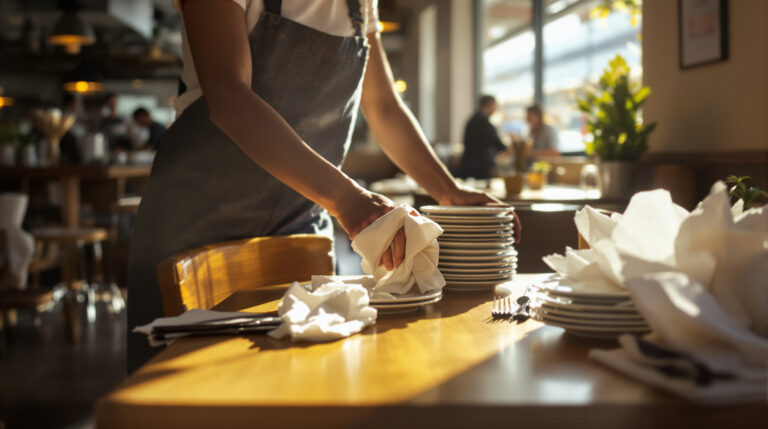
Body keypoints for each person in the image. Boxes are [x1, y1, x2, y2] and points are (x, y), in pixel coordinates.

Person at [126, 0, 521, 373]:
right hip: (198, 219)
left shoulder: (361, 4)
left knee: (305, 380)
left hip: (299, 221)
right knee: (184, 394)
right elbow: (229, 94)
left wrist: (449, 192)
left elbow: (382, 104)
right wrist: (346, 197)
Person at [458, 95, 507, 179]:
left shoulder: (472, 120)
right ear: (490, 105)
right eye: (495, 105)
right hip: (479, 167)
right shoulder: (485, 123)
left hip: (468, 164)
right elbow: (499, 145)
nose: (496, 108)